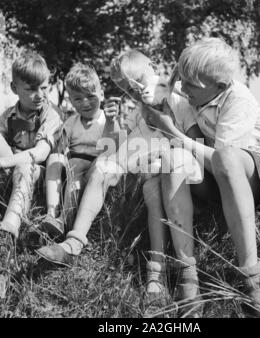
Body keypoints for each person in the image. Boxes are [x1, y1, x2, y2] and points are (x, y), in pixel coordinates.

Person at [36, 51, 203, 316]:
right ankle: (74, 242)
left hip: (173, 165)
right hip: (142, 165)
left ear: (153, 68)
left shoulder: (176, 96)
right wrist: (114, 125)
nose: (135, 91)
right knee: (103, 165)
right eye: (126, 88)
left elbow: (195, 140)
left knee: (153, 186)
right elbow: (121, 148)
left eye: (137, 82)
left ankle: (161, 270)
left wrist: (166, 124)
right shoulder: (137, 113)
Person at [140, 37, 260, 317]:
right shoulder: (195, 90)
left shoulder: (237, 99)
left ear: (220, 86)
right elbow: (162, 88)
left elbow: (221, 159)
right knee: (172, 158)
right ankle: (188, 277)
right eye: (181, 80)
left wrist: (176, 135)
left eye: (190, 84)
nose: (183, 89)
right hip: (214, 174)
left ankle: (252, 281)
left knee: (225, 156)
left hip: (255, 173)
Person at [36, 63, 120, 252]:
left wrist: (111, 121)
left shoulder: (106, 119)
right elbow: (62, 147)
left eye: (90, 96)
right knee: (56, 159)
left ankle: (65, 220)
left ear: (102, 94)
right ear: (71, 101)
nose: (85, 103)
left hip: (96, 165)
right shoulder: (71, 122)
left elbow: (110, 148)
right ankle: (53, 213)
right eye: (78, 98)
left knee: (77, 166)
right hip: (74, 164)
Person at [0, 52, 62, 297]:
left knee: (26, 166)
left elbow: (40, 152)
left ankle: (7, 235)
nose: (40, 95)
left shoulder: (50, 114)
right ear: (15, 88)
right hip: (11, 174)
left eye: (44, 88)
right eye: (31, 89)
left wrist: (6, 161)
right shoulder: (7, 116)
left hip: (43, 177)